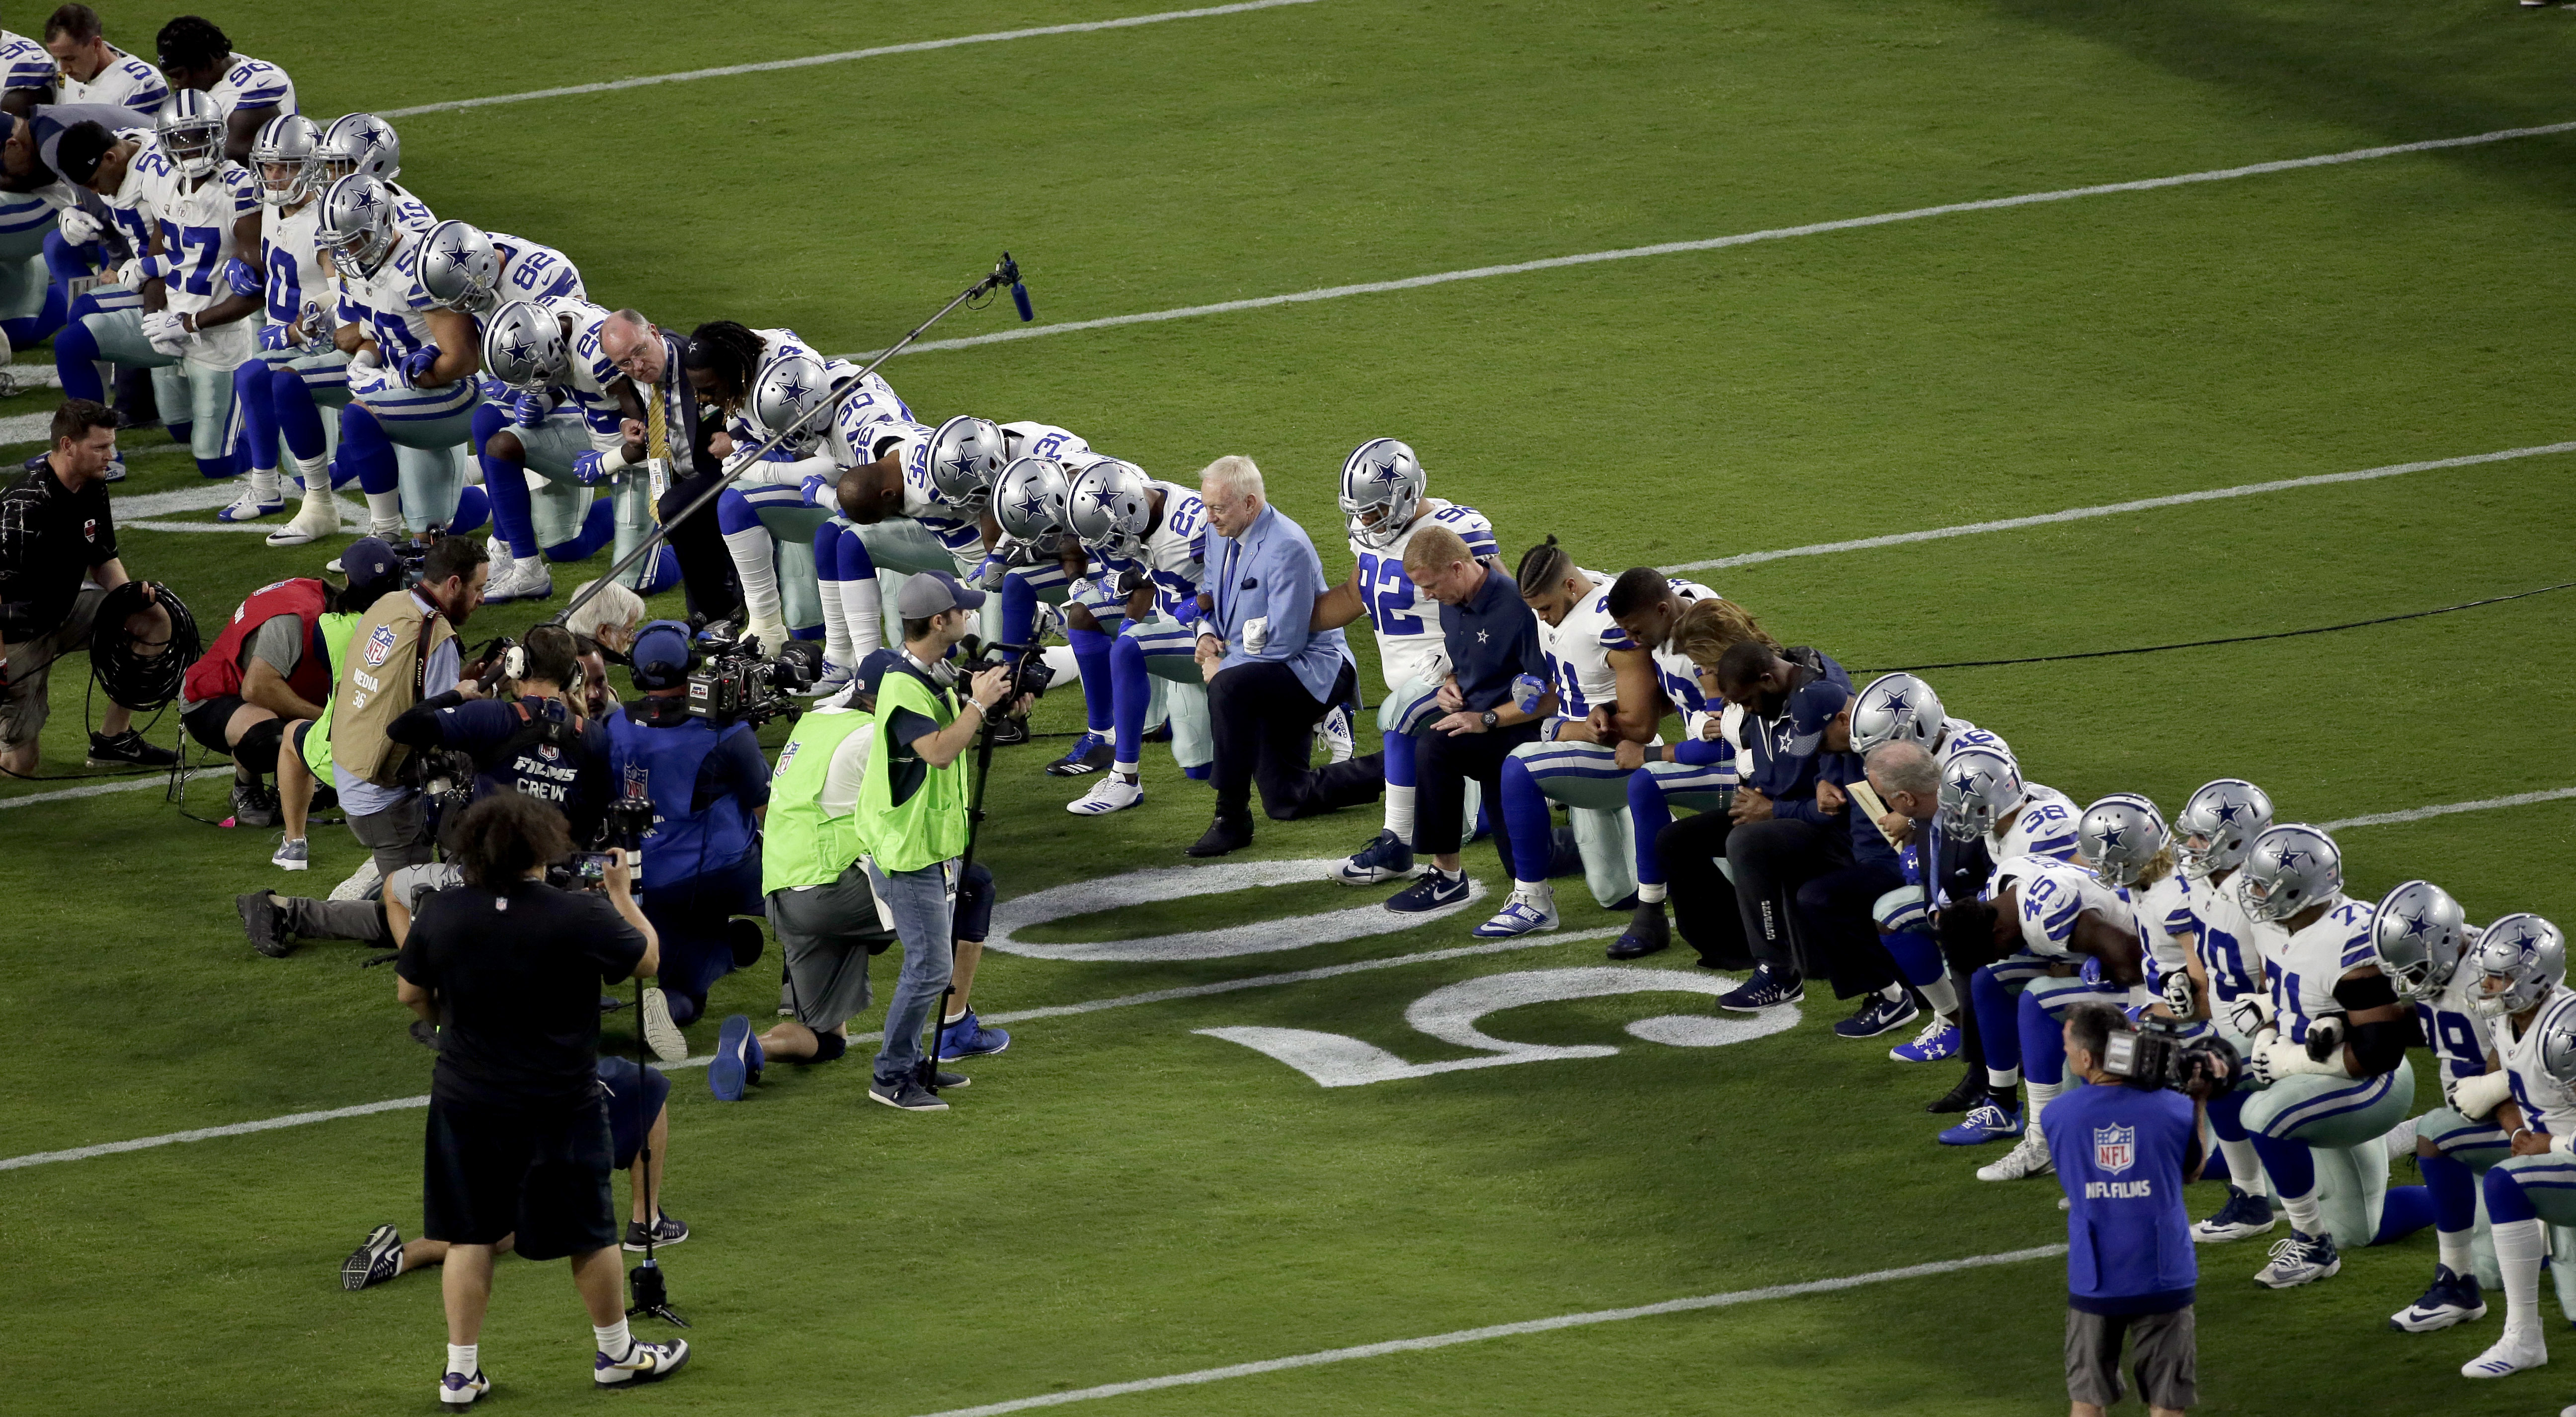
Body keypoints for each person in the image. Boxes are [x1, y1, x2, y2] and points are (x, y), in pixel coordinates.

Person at [392, 793, 689, 1402]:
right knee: (588, 1231)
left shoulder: (442, 913)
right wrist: (623, 895)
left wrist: (449, 1023)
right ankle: (616, 1353)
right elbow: (649, 960)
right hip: (558, 1101)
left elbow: (409, 993)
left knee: (470, 1234)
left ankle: (460, 1370)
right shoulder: (576, 914)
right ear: (542, 847)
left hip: (466, 1096)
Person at [850, 570, 1023, 1110]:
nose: (968, 617)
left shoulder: (931, 673)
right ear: (938, 620)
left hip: (926, 843)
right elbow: (940, 751)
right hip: (905, 849)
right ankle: (891, 1076)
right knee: (930, 966)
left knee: (930, 964)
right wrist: (976, 704)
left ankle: (915, 1062)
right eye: (961, 611)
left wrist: (992, 704)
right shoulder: (903, 686)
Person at [2221, 825, 2421, 1290]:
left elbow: (2378, 1051)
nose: (2249, 892)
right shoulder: (2275, 924)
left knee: (2262, 1114)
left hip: (2367, 1080)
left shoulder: (2353, 938)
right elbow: (2300, 990)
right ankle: (2249, 1198)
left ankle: (2313, 1243)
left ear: (2297, 890)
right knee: (2215, 1062)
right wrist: (2269, 1010)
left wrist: (2289, 1060)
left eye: (2260, 884)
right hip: (2312, 1060)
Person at [1306, 439, 1499, 883]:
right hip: (1422, 692)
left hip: (1461, 684)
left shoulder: (1456, 530)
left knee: (1399, 716)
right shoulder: (1373, 538)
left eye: (1373, 510)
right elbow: (1356, 595)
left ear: (1406, 495)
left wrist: (1462, 664)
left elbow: (1502, 607)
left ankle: (1395, 845)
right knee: (1465, 824)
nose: (1364, 521)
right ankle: (1530, 794)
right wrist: (1286, 626)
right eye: (1358, 510)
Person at [1186, 455, 1381, 857]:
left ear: (1251, 503)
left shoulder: (1286, 546)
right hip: (1267, 670)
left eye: (1218, 509)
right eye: (1207, 507)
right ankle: (1402, 766)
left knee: (1228, 688)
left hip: (1314, 670)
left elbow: (1287, 642)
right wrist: (1206, 634)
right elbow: (1209, 596)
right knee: (1286, 800)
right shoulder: (1220, 533)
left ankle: (1231, 817)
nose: (1210, 518)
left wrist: (1224, 666)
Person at [596, 621, 772, 1062]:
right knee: (809, 896)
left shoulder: (614, 726)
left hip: (650, 881)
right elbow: (767, 808)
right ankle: (797, 994)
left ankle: (677, 998)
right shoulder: (725, 732)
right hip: (730, 870)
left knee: (685, 994)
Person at [1485, 539, 1664, 929]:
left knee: (1519, 766)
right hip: (1580, 750)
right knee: (1614, 894)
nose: (1543, 618)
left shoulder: (1610, 625)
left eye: (1546, 608)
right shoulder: (1564, 599)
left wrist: (1564, 728)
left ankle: (1533, 901)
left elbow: (1639, 725)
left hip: (1619, 755)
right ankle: (1660, 838)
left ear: (1569, 586)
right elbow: (1568, 682)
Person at [1377, 524, 1551, 918]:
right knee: (1522, 860)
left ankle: (1447, 878)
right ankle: (1450, 874)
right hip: (1480, 725)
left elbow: (1546, 696)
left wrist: (1485, 719)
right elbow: (1465, 659)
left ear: (1459, 568)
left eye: (1432, 585)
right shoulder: (1450, 601)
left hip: (1517, 729)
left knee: (1437, 747)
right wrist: (1450, 685)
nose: (1427, 595)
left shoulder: (1516, 607)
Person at [0, 399, 176, 775]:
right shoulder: (23, 509)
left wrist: (129, 595)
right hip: (17, 632)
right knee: (20, 764)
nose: (110, 456)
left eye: (110, 446)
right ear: (68, 446)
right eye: (100, 448)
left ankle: (113, 740)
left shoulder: (92, 485)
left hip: (65, 607)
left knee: (153, 618)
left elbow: (102, 557)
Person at [2049, 1002, 2208, 1417]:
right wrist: (2198, 1104)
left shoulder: (2057, 1116)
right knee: (2167, 1403)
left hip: (2095, 1278)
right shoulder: (2175, 1108)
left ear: (2086, 1058)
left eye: (2067, 1044)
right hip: (2164, 1271)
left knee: (2087, 1400)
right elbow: (2193, 1173)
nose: (2064, 1051)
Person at [313, 172, 482, 544]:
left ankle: (383, 536)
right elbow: (382, 334)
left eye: (358, 238)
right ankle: (482, 492)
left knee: (360, 415)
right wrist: (366, 361)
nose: (350, 251)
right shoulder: (360, 267)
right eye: (341, 243)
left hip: (456, 389)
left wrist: (406, 379)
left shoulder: (420, 269)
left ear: (386, 224)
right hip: (411, 388)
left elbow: (465, 360)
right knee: (427, 532)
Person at [476, 297, 671, 603]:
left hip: (641, 464)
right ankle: (528, 571)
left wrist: (608, 462)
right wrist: (543, 399)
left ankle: (695, 539)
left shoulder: (601, 355)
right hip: (597, 439)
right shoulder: (549, 320)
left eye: (536, 375)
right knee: (503, 446)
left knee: (630, 586)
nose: (534, 383)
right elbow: (565, 381)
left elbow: (652, 436)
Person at [1061, 459, 1214, 815]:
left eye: (1115, 536)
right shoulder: (1141, 501)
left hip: (1220, 632)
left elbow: (1246, 577)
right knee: (1200, 770)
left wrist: (1199, 606)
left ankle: (1125, 779)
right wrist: (1131, 619)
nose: (1113, 548)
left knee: (1129, 649)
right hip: (1178, 625)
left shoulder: (1196, 527)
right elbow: (1149, 573)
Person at [599, 310, 737, 622]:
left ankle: (718, 608)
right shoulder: (634, 372)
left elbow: (751, 402)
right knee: (675, 511)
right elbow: (632, 399)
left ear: (654, 332)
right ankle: (709, 612)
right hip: (677, 472)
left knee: (674, 509)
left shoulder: (699, 367)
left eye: (640, 352)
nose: (637, 367)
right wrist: (628, 422)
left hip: (725, 468)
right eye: (624, 363)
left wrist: (736, 439)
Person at [176, 570, 339, 826]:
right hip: (213, 695)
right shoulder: (296, 617)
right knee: (267, 739)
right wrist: (326, 720)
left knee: (324, 786)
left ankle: (282, 784)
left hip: (266, 688)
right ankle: (246, 788)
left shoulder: (317, 599)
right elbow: (257, 689)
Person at [152, 15, 294, 161]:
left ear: (209, 60)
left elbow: (226, 163)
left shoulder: (246, 101)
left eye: (179, 75)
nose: (175, 85)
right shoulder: (229, 62)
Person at [41, 7, 168, 115]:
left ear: (96, 45)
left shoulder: (142, 85)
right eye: (58, 58)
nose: (64, 70)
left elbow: (145, 142)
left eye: (70, 59)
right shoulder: (66, 66)